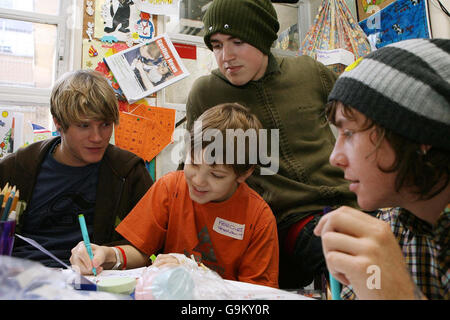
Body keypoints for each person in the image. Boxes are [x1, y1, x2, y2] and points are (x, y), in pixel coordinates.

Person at [184, 0, 357, 288]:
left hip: (350, 201)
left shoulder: (310, 72)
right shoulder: (206, 93)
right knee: (355, 262)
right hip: (288, 219)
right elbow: (189, 170)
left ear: (262, 38)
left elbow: (357, 126)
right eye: (216, 45)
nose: (226, 56)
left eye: (237, 42)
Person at [70, 103, 280, 288]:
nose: (198, 180)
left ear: (244, 173)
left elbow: (258, 293)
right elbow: (141, 251)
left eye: (216, 175)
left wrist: (197, 274)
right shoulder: (171, 187)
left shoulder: (258, 218)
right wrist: (108, 255)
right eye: (193, 164)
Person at [314, 38, 450, 299]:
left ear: (417, 135)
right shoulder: (395, 227)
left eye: (350, 133)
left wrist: (399, 295)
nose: (335, 157)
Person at [0, 69, 153, 267]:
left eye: (105, 124)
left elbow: (149, 247)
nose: (97, 137)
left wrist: (110, 255)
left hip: (95, 284)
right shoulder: (16, 168)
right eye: (83, 126)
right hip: (21, 280)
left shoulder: (128, 172)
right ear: (58, 123)